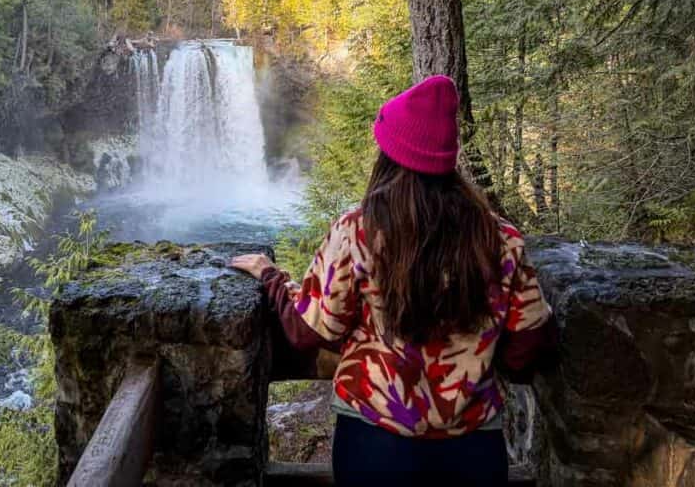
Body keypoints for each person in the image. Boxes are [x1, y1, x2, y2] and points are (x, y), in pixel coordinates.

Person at [230, 75, 558, 487]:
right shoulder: (500, 239)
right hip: (473, 446)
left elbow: (311, 330)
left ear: (390, 154)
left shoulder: (357, 231)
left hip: (374, 442)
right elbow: (528, 345)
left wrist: (271, 277)